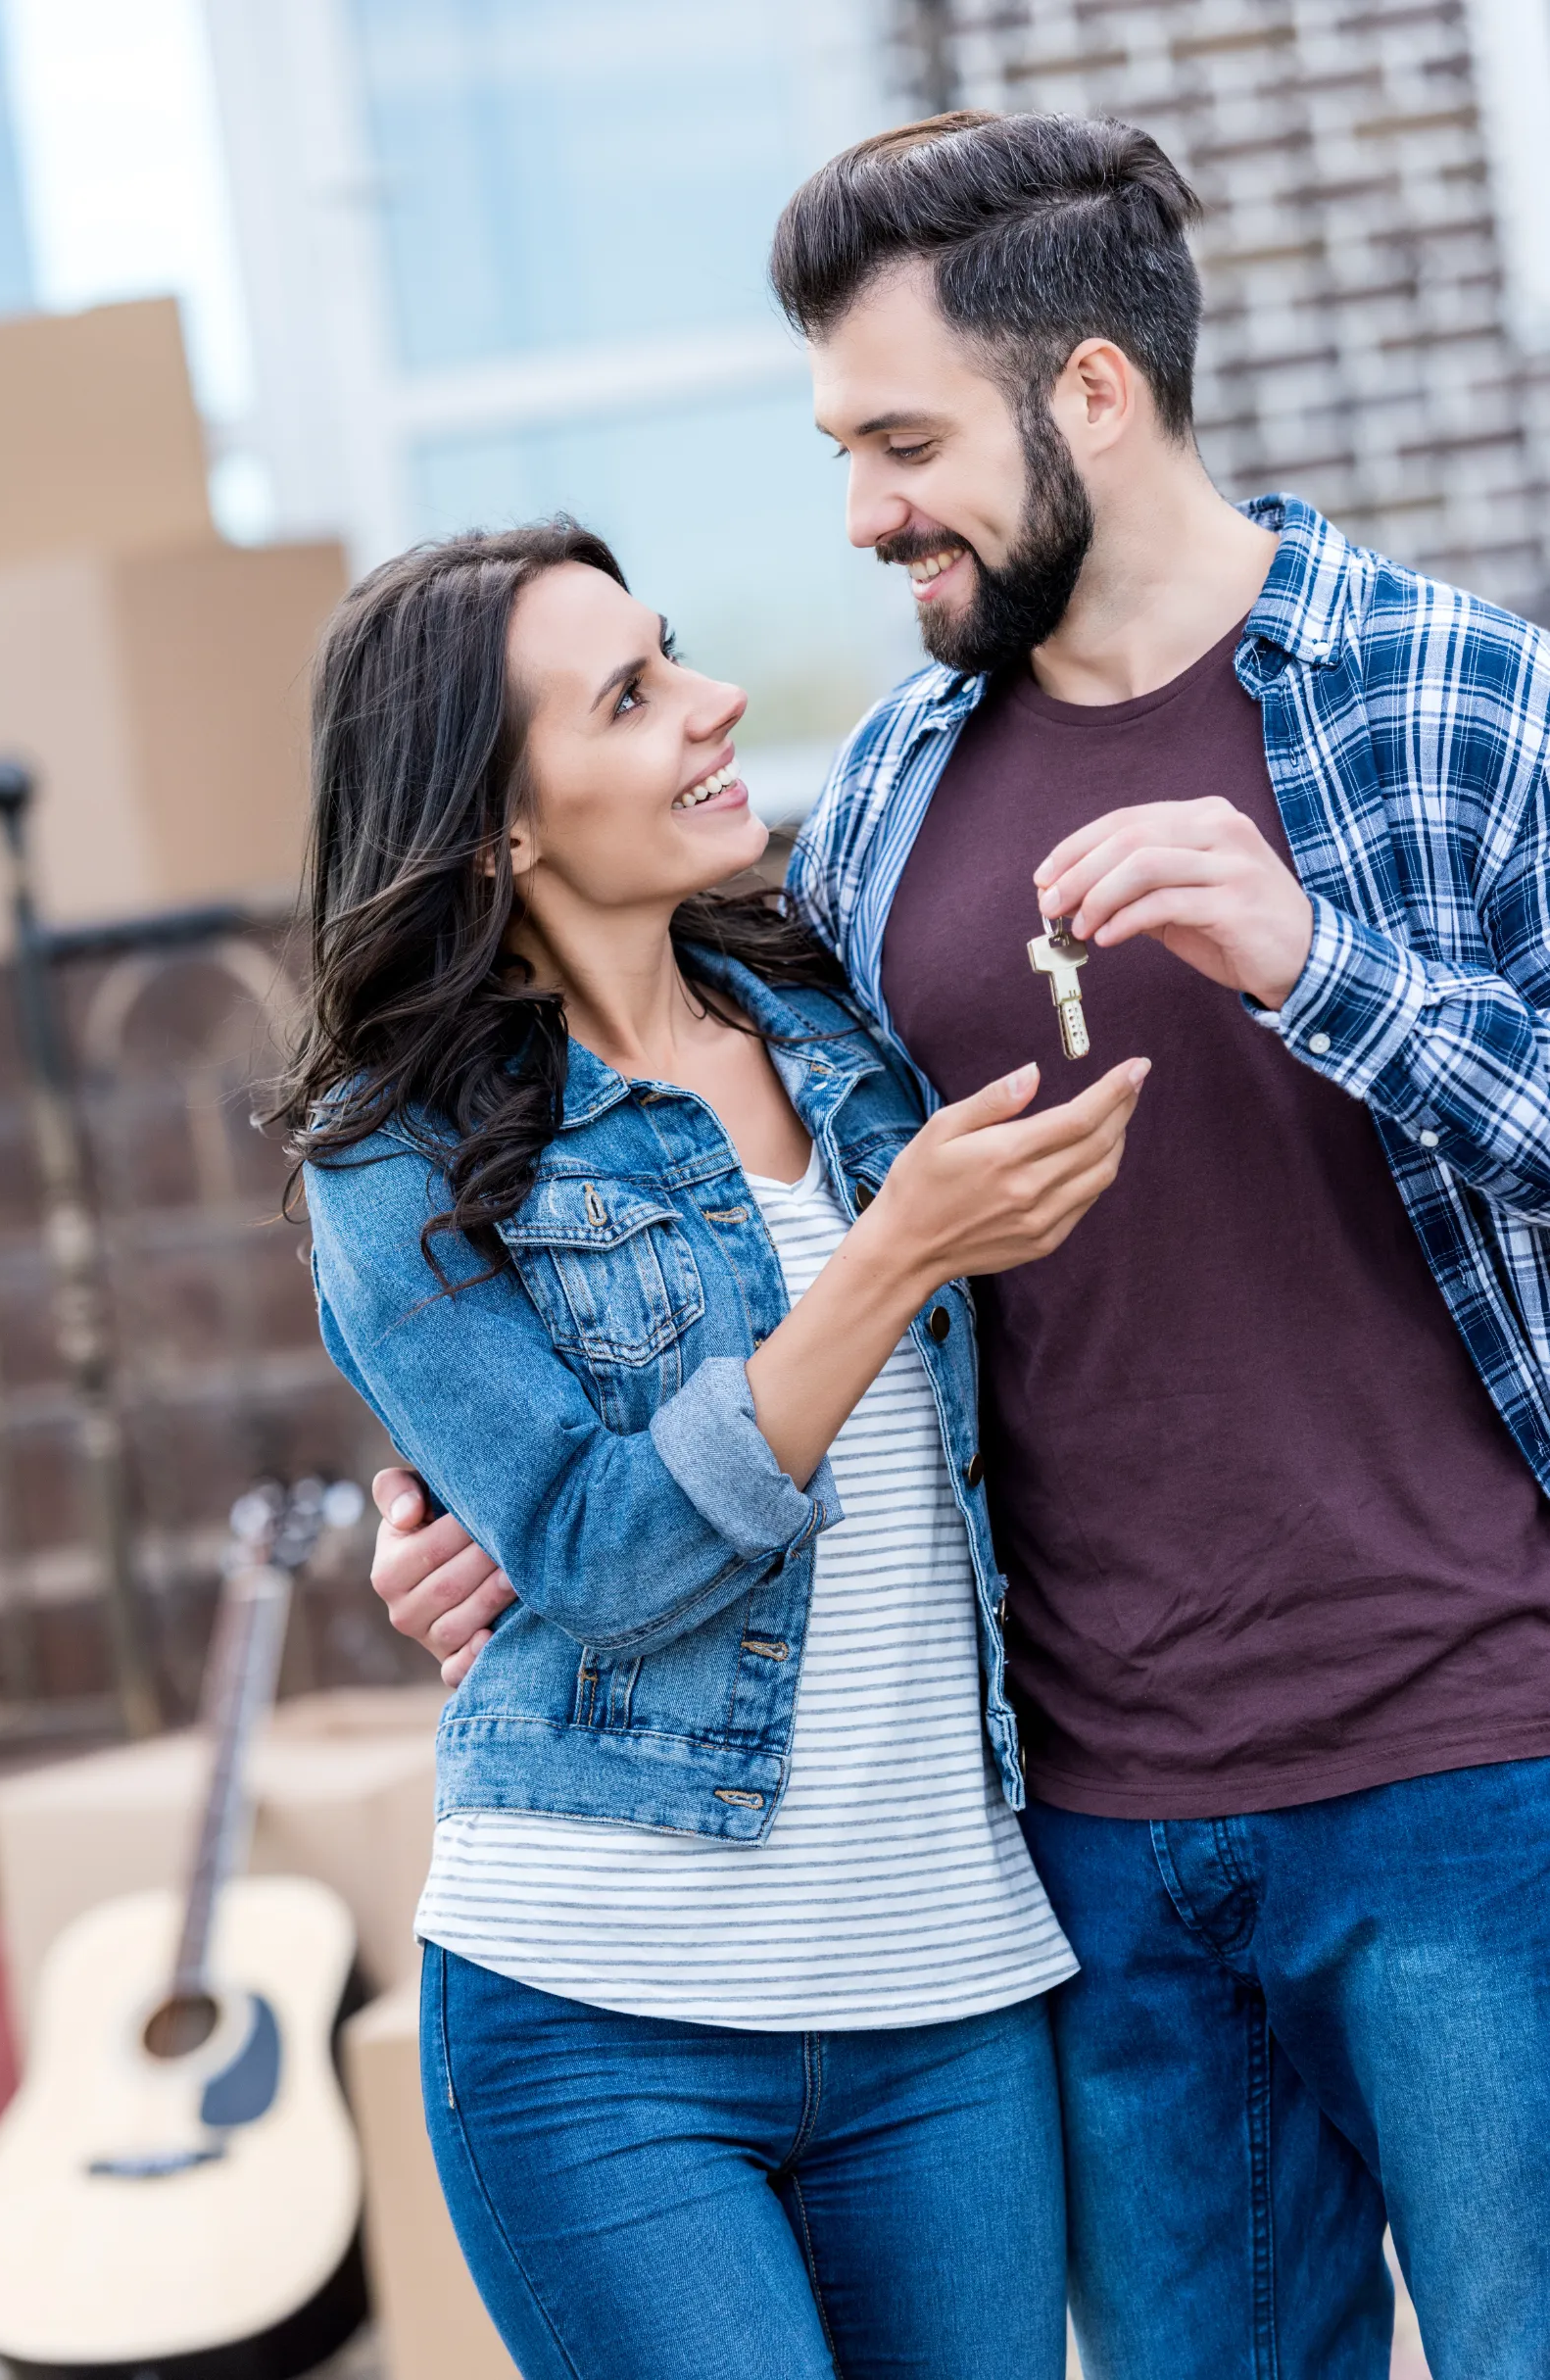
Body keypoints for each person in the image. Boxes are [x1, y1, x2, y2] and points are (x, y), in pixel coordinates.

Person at [372, 113, 1550, 2378]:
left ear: (1092, 393)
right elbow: (719, 1217)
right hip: (1086, 1838)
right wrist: (486, 1492)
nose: (862, 512)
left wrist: (1321, 964)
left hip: (1475, 1778)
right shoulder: (885, 801)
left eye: (905, 441)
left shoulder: (1465, 703)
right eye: (839, 445)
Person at [283, 519, 1147, 2380]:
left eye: (671, 653)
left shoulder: (844, 1012)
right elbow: (595, 1555)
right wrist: (890, 1252)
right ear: (499, 826)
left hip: (949, 1995)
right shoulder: (393, 1156)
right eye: (632, 694)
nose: (715, 700)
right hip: (605, 2022)